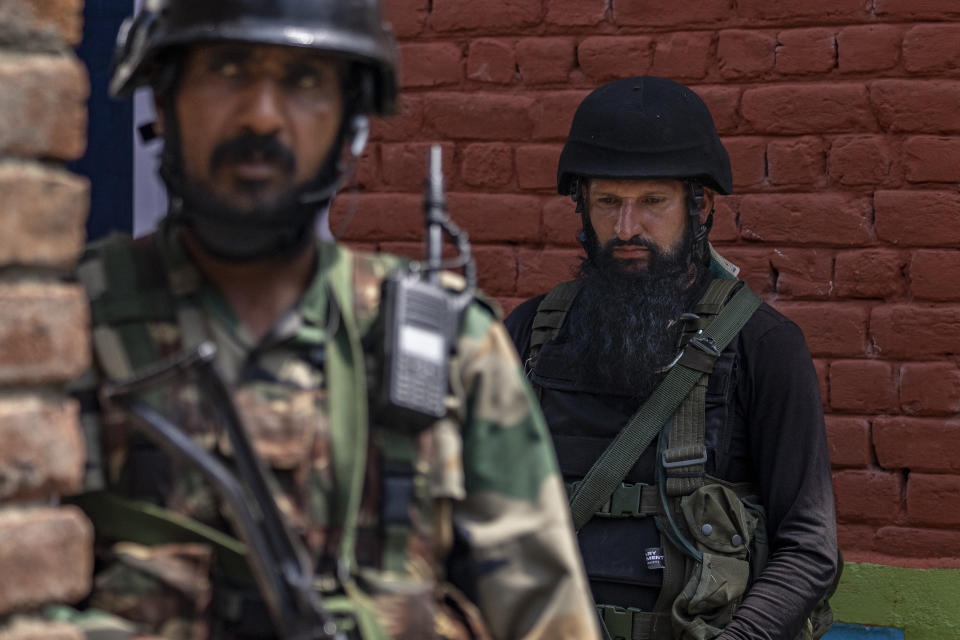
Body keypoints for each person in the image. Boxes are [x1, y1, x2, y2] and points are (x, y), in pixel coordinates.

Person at [63, 1, 599, 639]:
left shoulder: (445, 344)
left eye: (304, 81)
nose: (262, 115)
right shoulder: (66, 330)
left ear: (351, 124)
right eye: (227, 69)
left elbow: (547, 619)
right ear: (166, 101)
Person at [504, 76, 839, 640]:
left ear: (698, 205)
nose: (627, 228)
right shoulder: (531, 333)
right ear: (582, 207)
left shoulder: (762, 346)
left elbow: (809, 548)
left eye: (653, 202)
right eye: (608, 202)